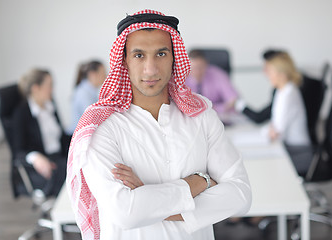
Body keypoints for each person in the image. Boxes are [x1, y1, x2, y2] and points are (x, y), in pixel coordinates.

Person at [66, 9, 251, 240]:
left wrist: (148, 198)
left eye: (161, 54)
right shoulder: (101, 127)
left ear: (175, 58)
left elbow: (241, 196)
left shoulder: (201, 116)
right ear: (124, 60)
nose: (151, 69)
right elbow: (125, 213)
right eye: (139, 55)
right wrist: (199, 182)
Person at [237, 51, 313, 177]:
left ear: (281, 74)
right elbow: (274, 127)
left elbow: (276, 133)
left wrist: (270, 131)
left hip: (298, 153)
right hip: (288, 147)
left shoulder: (289, 95)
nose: (266, 75)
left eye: (269, 71)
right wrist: (270, 130)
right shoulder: (281, 91)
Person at [13, 68, 70, 197]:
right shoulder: (21, 114)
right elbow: (18, 151)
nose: (52, 89)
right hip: (42, 163)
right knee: (71, 174)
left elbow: (61, 136)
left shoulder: (50, 106)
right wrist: (35, 157)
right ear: (35, 88)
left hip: (59, 157)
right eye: (49, 85)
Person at [185, 49, 238, 120]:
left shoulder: (218, 75)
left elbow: (233, 100)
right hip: (190, 120)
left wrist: (213, 108)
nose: (197, 71)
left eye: (200, 67)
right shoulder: (181, 79)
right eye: (194, 68)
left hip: (217, 118)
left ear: (206, 64)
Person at [69, 60, 107, 134]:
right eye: (103, 73)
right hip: (77, 136)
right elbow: (92, 118)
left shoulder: (91, 91)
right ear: (92, 74)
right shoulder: (83, 93)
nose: (106, 76)